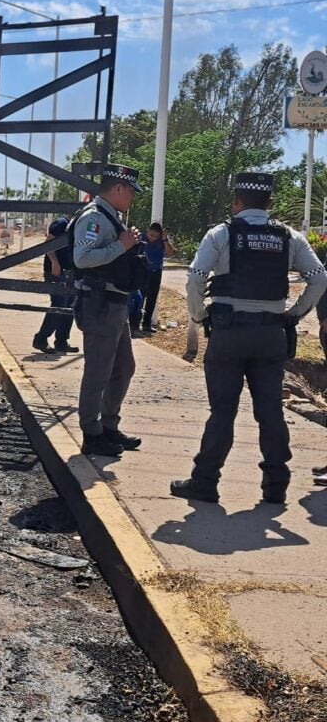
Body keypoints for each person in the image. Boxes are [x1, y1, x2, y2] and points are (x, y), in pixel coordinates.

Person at [171, 172, 327, 504]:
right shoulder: (289, 237)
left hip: (228, 334)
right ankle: (276, 486)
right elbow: (319, 277)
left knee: (223, 411)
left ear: (236, 202)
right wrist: (295, 314)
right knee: (270, 411)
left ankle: (205, 482)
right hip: (271, 334)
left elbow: (196, 277)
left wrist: (199, 315)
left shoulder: (222, 234)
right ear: (269, 204)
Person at [72, 164, 147, 457]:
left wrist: (126, 243)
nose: (132, 198)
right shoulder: (94, 219)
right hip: (100, 305)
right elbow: (82, 258)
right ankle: (92, 434)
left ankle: (109, 427)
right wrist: (121, 245)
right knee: (98, 372)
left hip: (115, 305)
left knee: (124, 368)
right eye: (130, 192)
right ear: (118, 188)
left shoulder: (110, 218)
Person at [32, 212, 79, 354]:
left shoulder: (75, 226)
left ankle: (62, 341)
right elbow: (48, 243)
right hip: (56, 272)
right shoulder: (61, 223)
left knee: (70, 307)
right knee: (59, 305)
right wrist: (54, 262)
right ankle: (41, 338)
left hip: (70, 273)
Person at [142, 222, 175, 333]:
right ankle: (134, 324)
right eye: (151, 235)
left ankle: (146, 324)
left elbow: (170, 252)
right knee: (140, 297)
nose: (153, 238)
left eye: (156, 236)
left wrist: (165, 239)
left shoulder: (162, 240)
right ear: (148, 231)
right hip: (143, 271)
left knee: (152, 299)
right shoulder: (141, 237)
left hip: (156, 271)